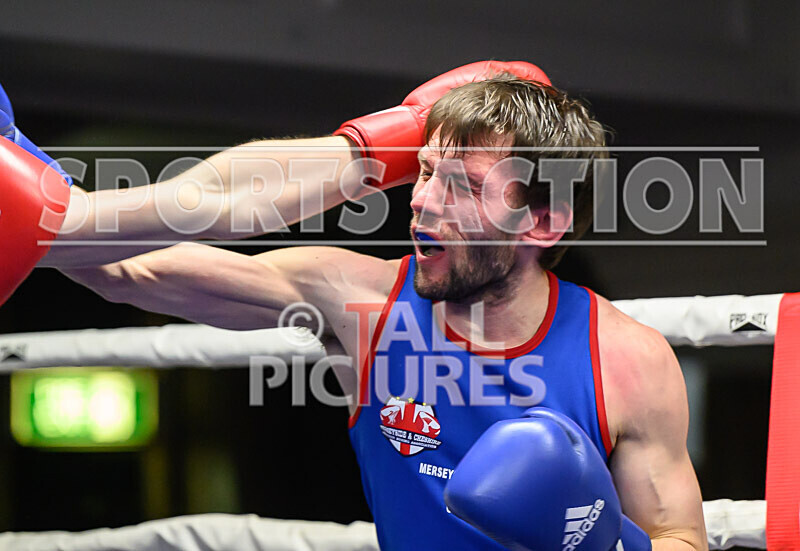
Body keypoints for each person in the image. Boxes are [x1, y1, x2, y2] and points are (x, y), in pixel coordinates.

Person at [0, 62, 707, 550]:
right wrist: (25, 180)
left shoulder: (627, 361)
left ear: (545, 224)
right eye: (425, 173)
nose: (424, 202)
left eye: (460, 186)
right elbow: (135, 271)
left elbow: (682, 536)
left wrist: (606, 542)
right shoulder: (361, 303)